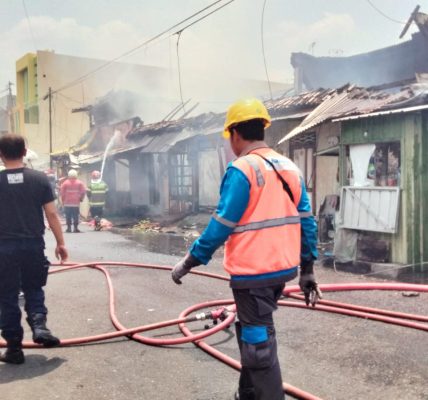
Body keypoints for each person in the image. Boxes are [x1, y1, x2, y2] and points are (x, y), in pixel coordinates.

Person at [171, 99, 320, 400]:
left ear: (235, 133)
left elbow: (221, 225)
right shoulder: (289, 167)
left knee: (258, 345)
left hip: (253, 274)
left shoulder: (242, 169)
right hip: (282, 271)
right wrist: (307, 270)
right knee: (252, 330)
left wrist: (189, 261)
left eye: (229, 137)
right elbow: (308, 221)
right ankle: (247, 395)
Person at [0, 134, 68, 364]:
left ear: (0, 154)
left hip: (3, 247)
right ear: (25, 151)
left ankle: (14, 349)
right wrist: (60, 243)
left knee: (7, 295)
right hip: (32, 245)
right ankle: (40, 327)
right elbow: (51, 214)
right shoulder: (40, 179)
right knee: (33, 287)